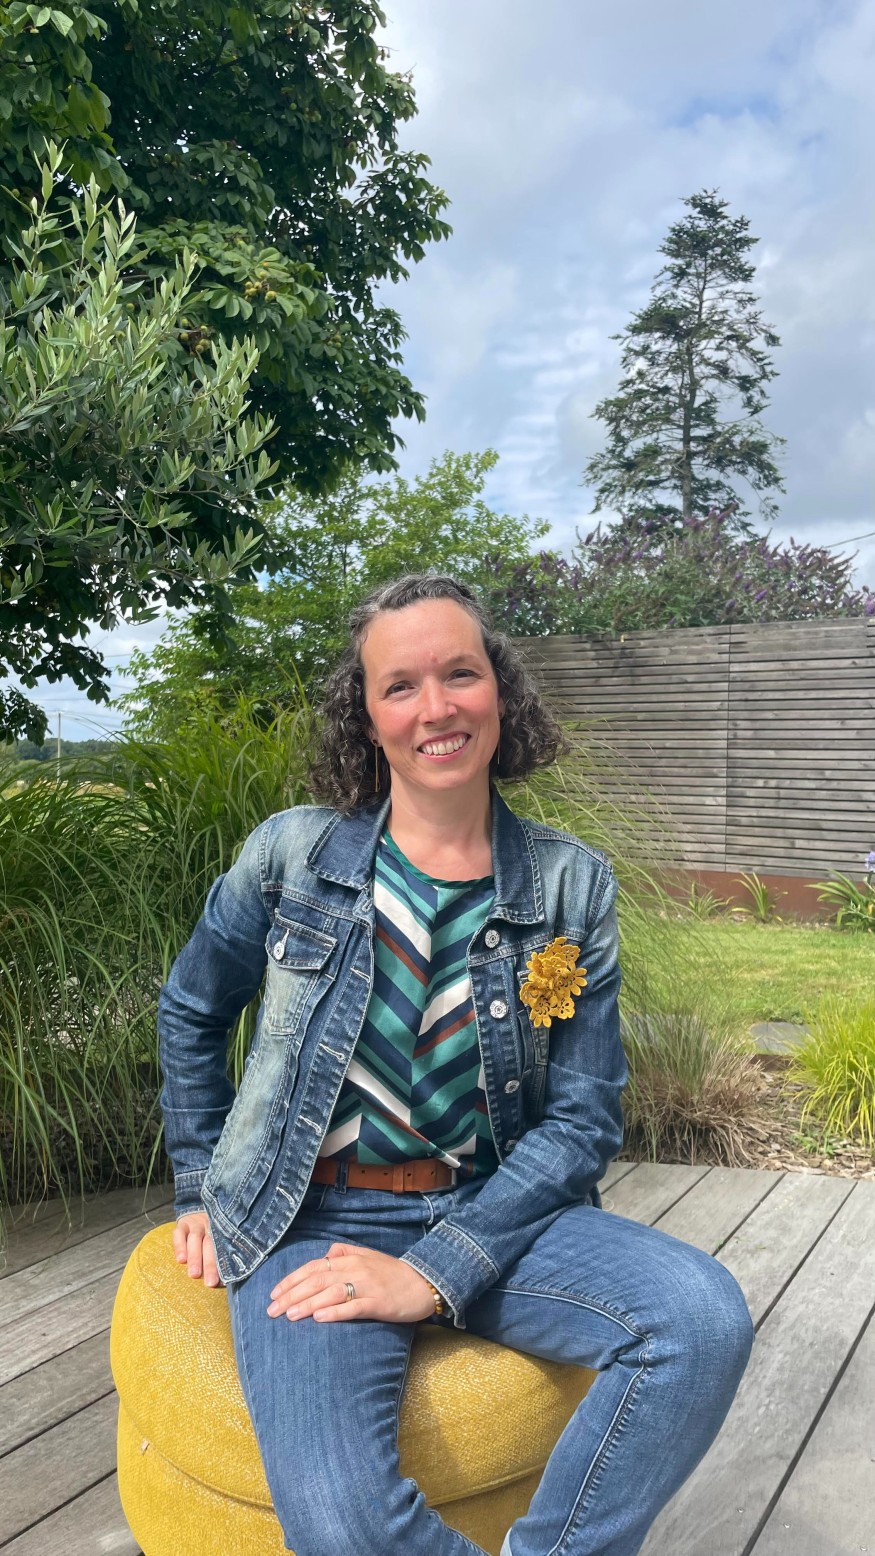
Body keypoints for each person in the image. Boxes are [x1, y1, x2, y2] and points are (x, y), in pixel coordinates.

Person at [160, 573, 754, 1556]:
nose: (434, 707)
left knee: (700, 1317)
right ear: (366, 717)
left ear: (500, 692)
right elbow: (191, 1006)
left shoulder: (569, 885)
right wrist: (196, 1179)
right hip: (306, 1220)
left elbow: (580, 1119)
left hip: (495, 1213)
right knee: (343, 1523)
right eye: (399, 685)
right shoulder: (291, 854)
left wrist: (432, 1273)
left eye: (459, 674)